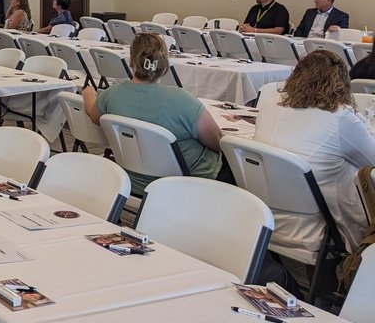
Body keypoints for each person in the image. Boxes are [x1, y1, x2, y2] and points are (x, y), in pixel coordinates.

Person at [254, 51, 375, 252]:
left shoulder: (269, 105)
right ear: (341, 83)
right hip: (318, 222)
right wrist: (359, 120)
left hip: (267, 214)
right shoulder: (339, 118)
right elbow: (371, 160)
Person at [83, 32, 224, 194]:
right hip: (186, 181)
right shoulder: (182, 99)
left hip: (132, 179)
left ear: (131, 60)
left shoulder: (112, 94)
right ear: (164, 63)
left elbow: (94, 116)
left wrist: (89, 95)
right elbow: (217, 142)